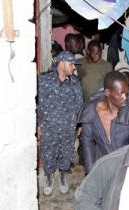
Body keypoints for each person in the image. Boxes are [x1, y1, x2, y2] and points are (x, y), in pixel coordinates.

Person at [38, 51, 83, 196]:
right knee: (48, 153)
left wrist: (79, 124)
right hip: (49, 127)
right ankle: (50, 178)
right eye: (71, 64)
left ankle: (63, 177)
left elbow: (79, 105)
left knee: (66, 153)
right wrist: (38, 125)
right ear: (62, 63)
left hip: (67, 127)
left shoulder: (75, 82)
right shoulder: (44, 80)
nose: (74, 68)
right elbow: (39, 105)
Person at [78, 71, 129, 174]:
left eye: (126, 93)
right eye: (120, 94)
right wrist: (90, 173)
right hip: (103, 167)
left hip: (126, 167)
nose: (125, 98)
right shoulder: (90, 112)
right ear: (107, 93)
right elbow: (87, 143)